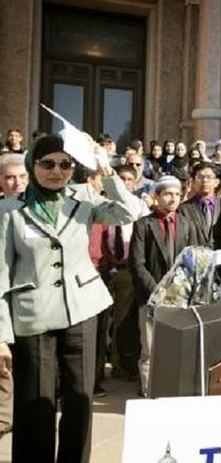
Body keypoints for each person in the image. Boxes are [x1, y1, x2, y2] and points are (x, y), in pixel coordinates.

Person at [0, 134, 140, 462]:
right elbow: (0, 274)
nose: (57, 171)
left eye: (65, 164)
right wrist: (2, 336)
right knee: (35, 402)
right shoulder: (10, 210)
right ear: (32, 165)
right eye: (47, 163)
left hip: (82, 310)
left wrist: (107, 171)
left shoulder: (83, 197)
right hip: (32, 317)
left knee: (79, 399)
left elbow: (130, 211)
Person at [129, 175, 200, 396]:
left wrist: (179, 290)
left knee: (178, 348)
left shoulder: (186, 224)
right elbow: (137, 264)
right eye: (168, 194)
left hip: (180, 296)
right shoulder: (144, 225)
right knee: (150, 349)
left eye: (177, 194)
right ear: (156, 196)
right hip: (150, 297)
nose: (173, 198)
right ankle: (150, 392)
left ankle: (175, 391)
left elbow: (194, 258)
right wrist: (158, 292)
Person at [179, 161, 220, 244]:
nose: (204, 180)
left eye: (209, 177)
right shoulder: (183, 209)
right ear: (193, 182)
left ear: (216, 182)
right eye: (200, 177)